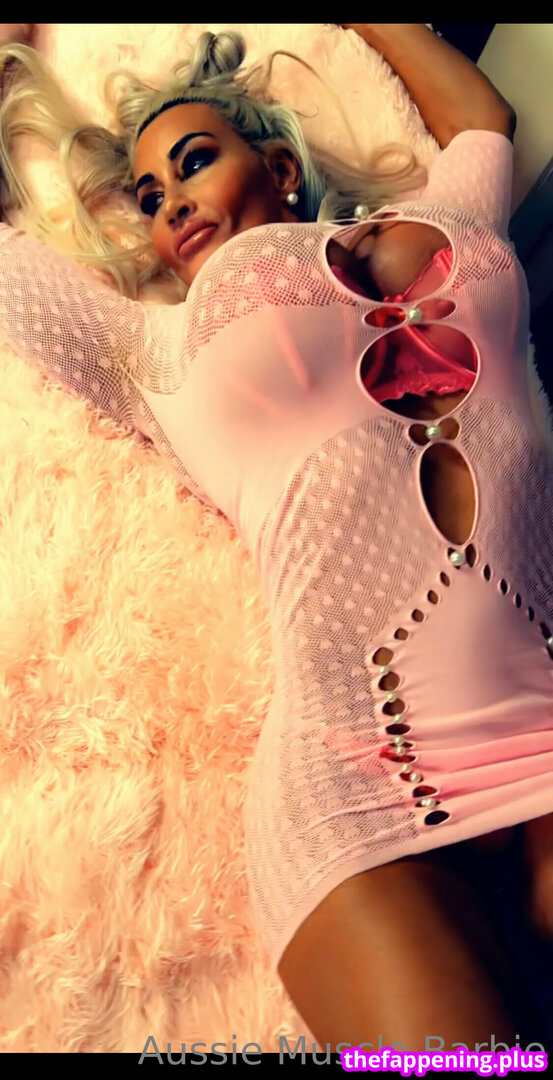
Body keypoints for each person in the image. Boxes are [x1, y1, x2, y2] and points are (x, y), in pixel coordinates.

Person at [0, 22, 552, 1051]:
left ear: (281, 168)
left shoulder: (446, 218)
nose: (171, 204)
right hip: (356, 783)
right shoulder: (148, 352)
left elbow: (482, 122)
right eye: (150, 198)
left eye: (192, 161)